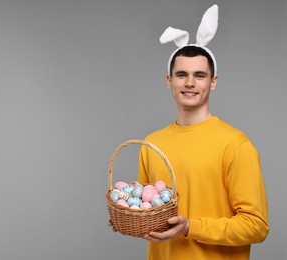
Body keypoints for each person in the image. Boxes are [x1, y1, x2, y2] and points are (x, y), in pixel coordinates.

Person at [109, 5, 269, 260]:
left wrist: (191, 228)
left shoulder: (235, 144)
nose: (190, 83)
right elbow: (147, 209)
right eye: (182, 74)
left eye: (200, 75)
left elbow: (257, 226)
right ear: (169, 80)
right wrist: (127, 216)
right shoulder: (152, 144)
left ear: (213, 81)